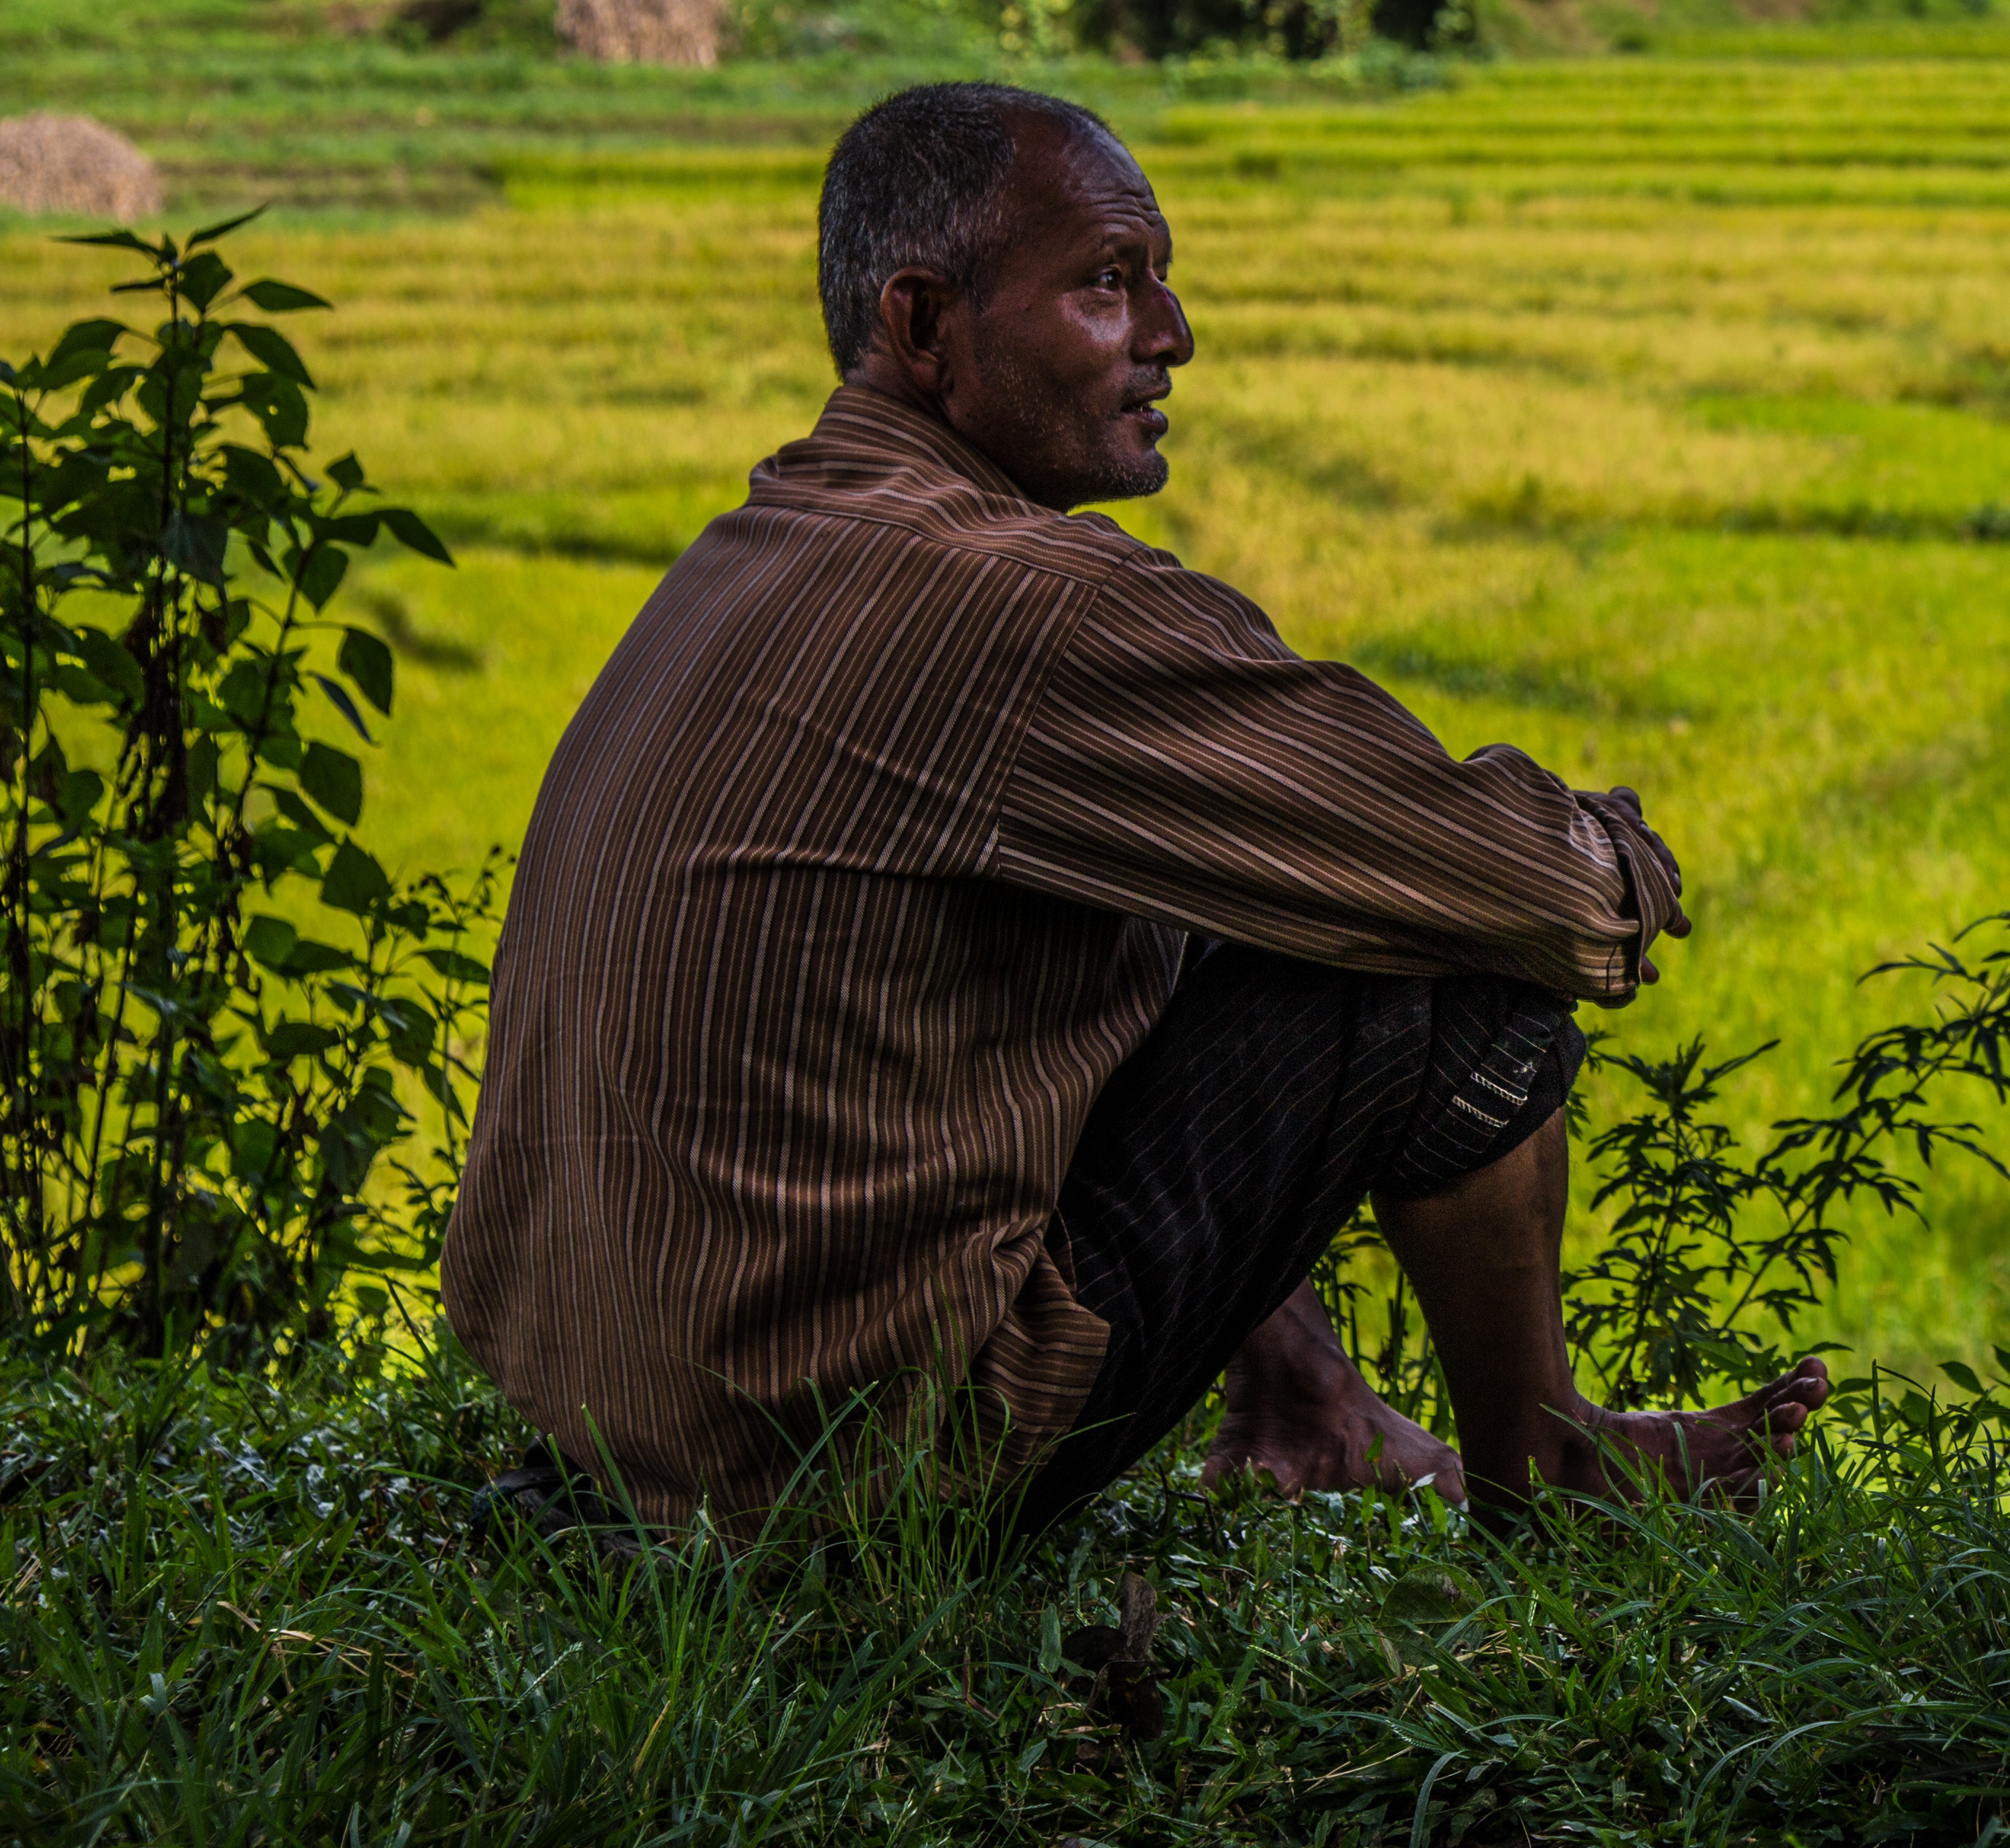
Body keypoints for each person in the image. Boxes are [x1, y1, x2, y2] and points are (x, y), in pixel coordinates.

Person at [440, 80, 1826, 1537]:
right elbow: (1530, 896)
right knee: (1442, 958)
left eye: (1158, 281)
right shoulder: (1022, 606)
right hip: (859, 1464)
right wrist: (1618, 852)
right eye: (1108, 285)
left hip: (621, 1429)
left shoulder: (757, 546)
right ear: (924, 326)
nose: (1170, 336)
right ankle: (1546, 1471)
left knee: (1184, 902)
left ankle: (1313, 1399)